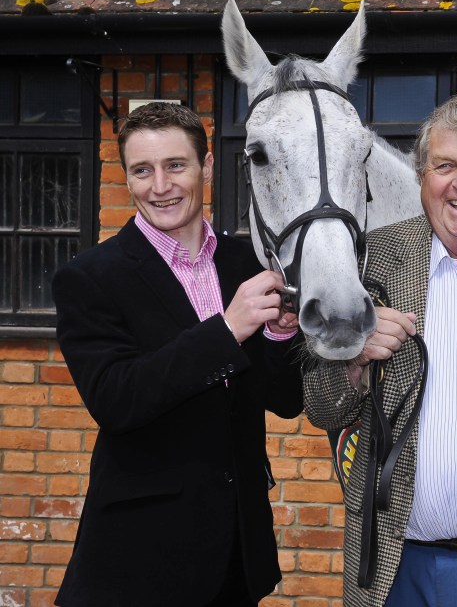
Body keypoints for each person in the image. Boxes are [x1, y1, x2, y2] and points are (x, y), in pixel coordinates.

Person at [303, 94, 457, 607]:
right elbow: (320, 404)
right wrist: (353, 358)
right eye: (443, 166)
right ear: (422, 179)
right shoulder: (371, 261)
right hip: (398, 566)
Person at [52, 102, 304, 606]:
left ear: (206, 167)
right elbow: (118, 399)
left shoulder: (247, 263)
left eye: (175, 165)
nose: (160, 185)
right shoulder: (92, 277)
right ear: (126, 178)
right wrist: (228, 328)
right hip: (139, 562)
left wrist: (279, 335)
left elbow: (285, 400)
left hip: (237, 554)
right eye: (142, 170)